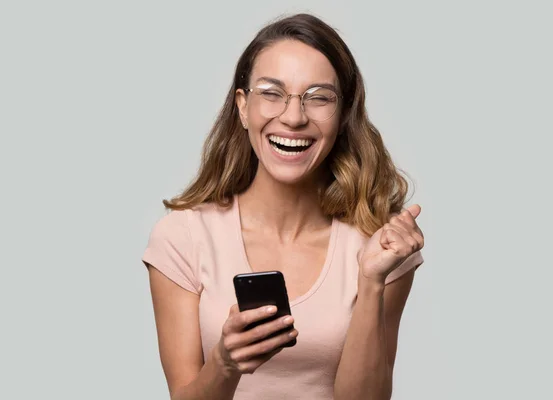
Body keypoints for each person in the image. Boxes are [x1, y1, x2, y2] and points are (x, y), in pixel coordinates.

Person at [142, 12, 425, 400]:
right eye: (271, 93)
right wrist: (225, 363)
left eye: (319, 98)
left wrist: (372, 282)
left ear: (342, 115)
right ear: (243, 107)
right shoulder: (183, 237)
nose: (293, 117)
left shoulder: (379, 244)